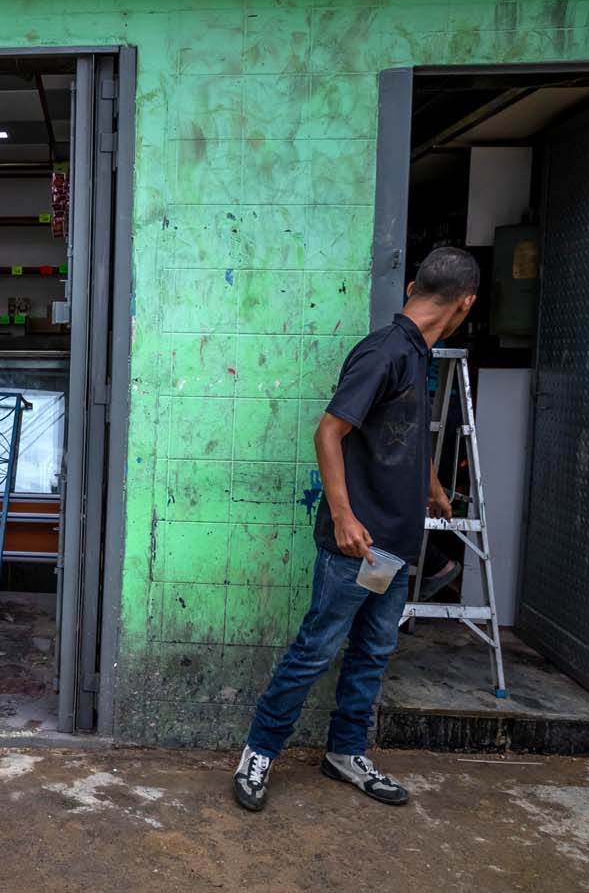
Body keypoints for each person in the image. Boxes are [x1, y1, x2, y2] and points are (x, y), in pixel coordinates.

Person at [232, 247, 480, 812]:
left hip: (393, 547)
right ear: (466, 304)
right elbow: (328, 433)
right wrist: (344, 517)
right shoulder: (385, 353)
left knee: (372, 652)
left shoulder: (419, 353)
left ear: (415, 284)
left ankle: (345, 753)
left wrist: (434, 487)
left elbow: (400, 437)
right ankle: (258, 753)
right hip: (357, 547)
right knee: (315, 651)